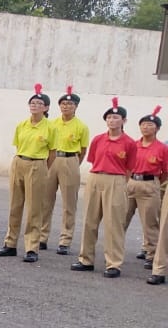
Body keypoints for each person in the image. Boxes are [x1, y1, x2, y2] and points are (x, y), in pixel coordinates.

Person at [69, 98, 135, 277]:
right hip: (95, 177)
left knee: (114, 223)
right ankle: (86, 259)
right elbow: (92, 160)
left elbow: (130, 167)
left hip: (116, 180)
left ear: (124, 121)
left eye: (116, 117)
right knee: (90, 220)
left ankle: (113, 263)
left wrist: (120, 182)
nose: (112, 120)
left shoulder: (129, 143)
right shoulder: (98, 139)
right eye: (109, 117)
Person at [0, 84, 57, 263]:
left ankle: (31, 247)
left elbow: (52, 152)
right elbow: (18, 144)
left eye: (39, 103)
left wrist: (43, 167)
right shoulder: (22, 124)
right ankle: (10, 243)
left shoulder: (50, 128)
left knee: (34, 208)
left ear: (46, 108)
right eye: (33, 103)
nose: (35, 105)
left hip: (37, 164)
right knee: (15, 205)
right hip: (19, 161)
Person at [40, 86, 88, 253]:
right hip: (52, 160)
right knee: (45, 201)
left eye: (70, 104)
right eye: (63, 104)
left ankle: (65, 240)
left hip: (70, 160)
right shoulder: (52, 124)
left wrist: (74, 164)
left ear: (76, 107)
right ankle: (42, 237)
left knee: (69, 203)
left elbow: (83, 150)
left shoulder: (81, 126)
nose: (66, 107)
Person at [126, 104, 165, 270]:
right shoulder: (133, 145)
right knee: (120, 219)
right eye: (143, 124)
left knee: (150, 223)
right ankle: (115, 252)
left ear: (157, 128)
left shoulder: (162, 148)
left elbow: (165, 172)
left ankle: (151, 255)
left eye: (150, 125)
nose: (145, 127)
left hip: (150, 185)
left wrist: (154, 183)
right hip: (131, 183)